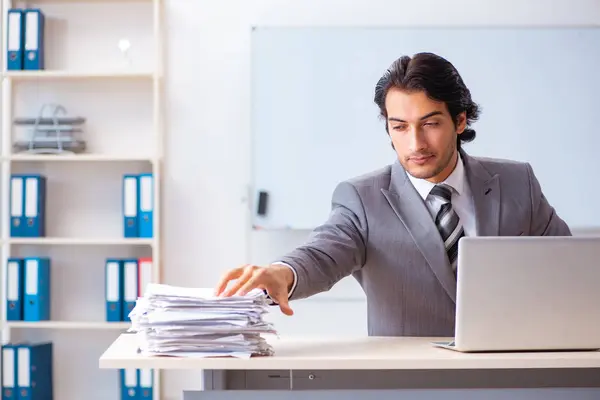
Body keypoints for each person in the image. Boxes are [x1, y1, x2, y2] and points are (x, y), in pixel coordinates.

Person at [214, 52, 572, 337]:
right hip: (408, 381)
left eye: (430, 124)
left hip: (513, 374)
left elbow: (568, 266)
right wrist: (284, 272)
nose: (415, 144)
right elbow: (323, 253)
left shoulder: (516, 182)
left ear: (460, 121)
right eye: (399, 127)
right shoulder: (363, 198)